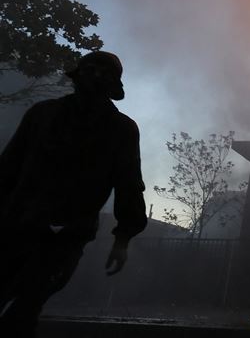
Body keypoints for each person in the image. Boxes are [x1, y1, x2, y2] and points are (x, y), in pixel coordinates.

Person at [0, 51, 148, 337]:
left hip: (63, 236)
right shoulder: (43, 115)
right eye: (89, 71)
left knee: (26, 308)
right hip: (17, 226)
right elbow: (9, 168)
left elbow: (129, 185)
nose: (92, 79)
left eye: (99, 74)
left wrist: (123, 237)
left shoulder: (120, 130)